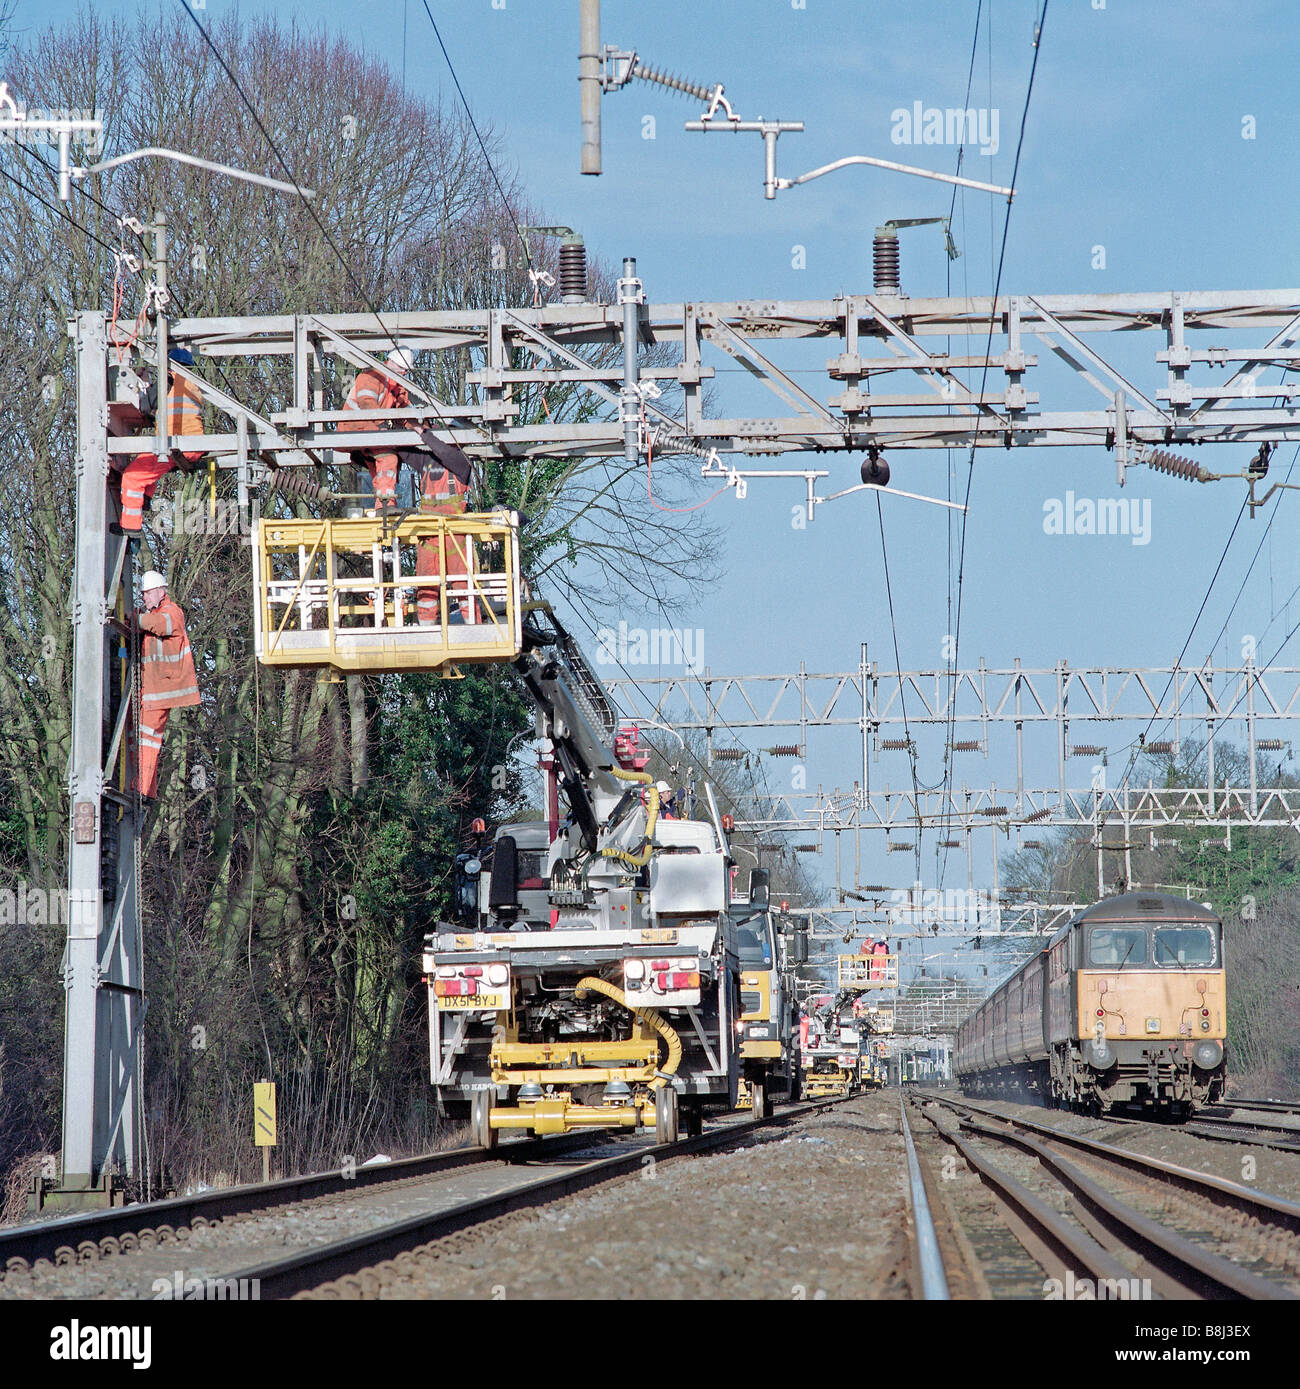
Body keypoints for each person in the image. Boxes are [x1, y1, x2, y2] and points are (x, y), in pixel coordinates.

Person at [117, 348, 205, 532]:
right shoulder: (193, 386)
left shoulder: (168, 380)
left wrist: (142, 383)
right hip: (192, 444)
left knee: (132, 477)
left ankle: (130, 527)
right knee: (145, 462)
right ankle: (145, 499)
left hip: (176, 443)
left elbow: (146, 405)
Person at [131, 570, 200, 800]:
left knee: (147, 738)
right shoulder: (158, 612)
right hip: (155, 690)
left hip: (162, 690)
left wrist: (134, 618)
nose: (144, 598)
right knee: (146, 738)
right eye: (143, 594)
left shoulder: (171, 612)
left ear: (161, 592)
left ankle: (140, 787)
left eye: (148, 593)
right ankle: (145, 789)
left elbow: (158, 625)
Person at [340, 349, 413, 509]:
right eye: (402, 368)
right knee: (388, 458)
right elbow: (367, 402)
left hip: (369, 432)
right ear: (390, 363)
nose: (404, 372)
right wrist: (381, 425)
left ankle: (384, 504)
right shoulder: (372, 377)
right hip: (356, 429)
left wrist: (425, 431)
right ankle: (386, 504)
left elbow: (406, 414)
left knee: (379, 468)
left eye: (406, 369)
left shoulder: (396, 388)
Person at [414, 433, 475, 625]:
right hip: (429, 535)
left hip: (454, 535)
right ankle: (426, 631)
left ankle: (473, 627)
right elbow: (401, 452)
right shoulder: (426, 462)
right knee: (426, 588)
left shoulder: (461, 462)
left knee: (463, 585)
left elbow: (444, 452)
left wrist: (422, 432)